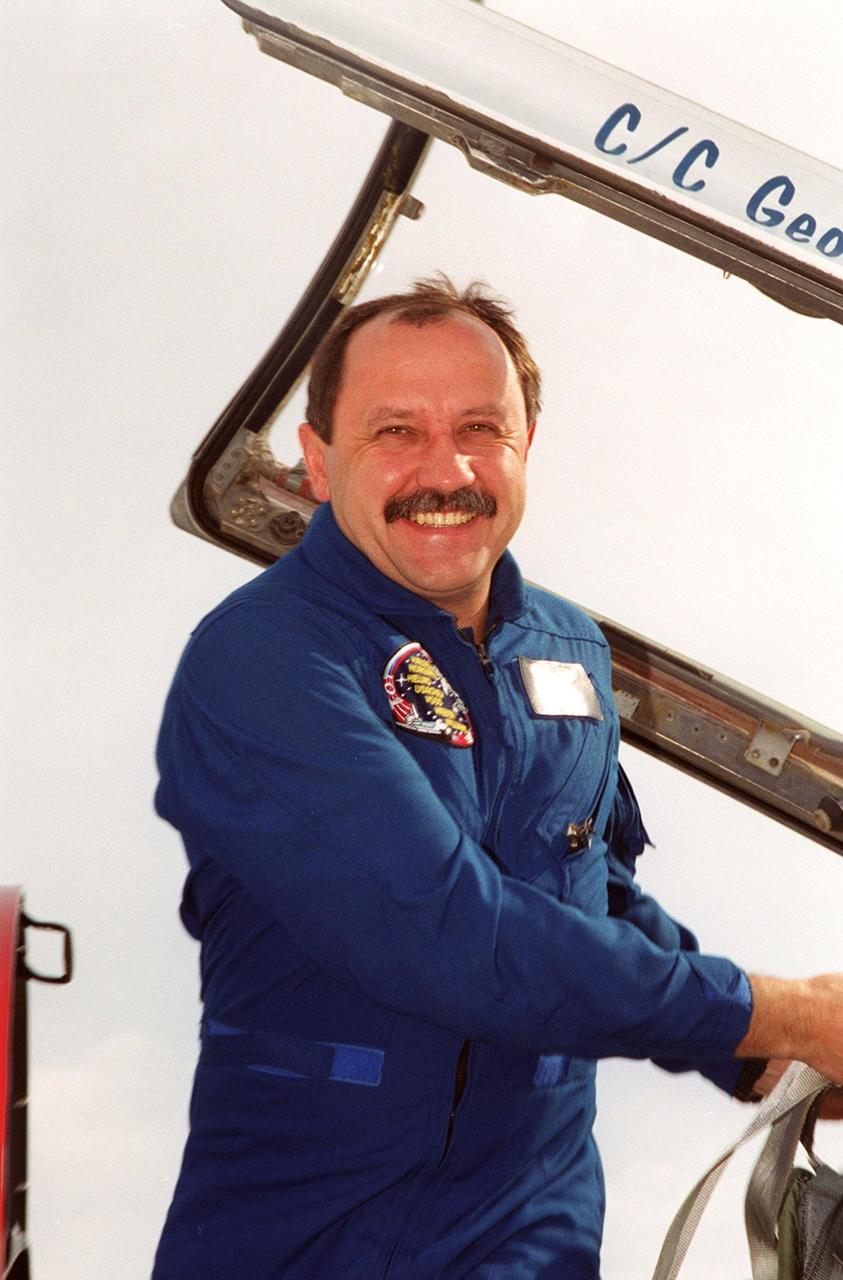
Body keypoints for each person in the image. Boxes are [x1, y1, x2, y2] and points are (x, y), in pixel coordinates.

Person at [152, 278, 843, 1280]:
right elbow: (446, 931)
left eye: (482, 428)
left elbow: (592, 889)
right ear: (318, 456)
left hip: (532, 1226)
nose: (448, 468)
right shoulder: (261, 660)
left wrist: (753, 1058)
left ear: (527, 451)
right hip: (315, 1228)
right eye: (397, 430)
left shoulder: (568, 650)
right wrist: (771, 1008)